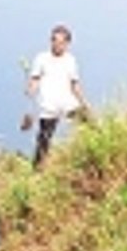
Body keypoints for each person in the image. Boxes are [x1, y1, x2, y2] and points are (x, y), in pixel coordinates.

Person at [27, 24, 91, 168]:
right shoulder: (42, 58)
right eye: (54, 40)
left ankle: (86, 158)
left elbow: (75, 85)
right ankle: (37, 170)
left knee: (89, 125)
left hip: (68, 103)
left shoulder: (70, 60)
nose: (57, 44)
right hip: (48, 106)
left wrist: (84, 103)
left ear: (67, 44)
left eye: (61, 42)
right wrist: (31, 90)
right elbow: (35, 79)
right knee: (44, 141)